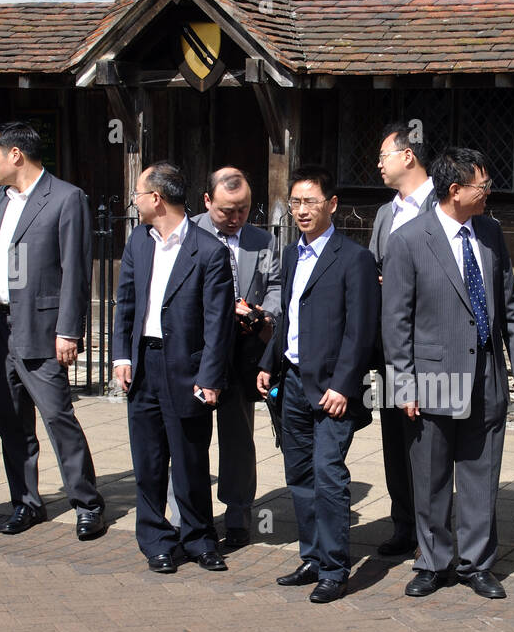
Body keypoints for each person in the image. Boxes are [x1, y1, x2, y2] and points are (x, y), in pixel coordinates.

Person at [382, 147, 514, 601]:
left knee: (480, 473)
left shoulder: (489, 231)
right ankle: (432, 561)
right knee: (429, 476)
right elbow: (396, 322)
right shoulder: (408, 240)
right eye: (482, 186)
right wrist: (402, 384)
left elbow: (508, 299)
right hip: (430, 376)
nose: (488, 194)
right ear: (455, 190)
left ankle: (477, 563)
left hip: (485, 371)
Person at [0, 121, 106, 541]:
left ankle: (87, 503)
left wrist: (69, 331)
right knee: (11, 422)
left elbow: (76, 271)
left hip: (41, 328)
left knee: (58, 417)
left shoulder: (65, 198)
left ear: (15, 155)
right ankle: (25, 502)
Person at [256, 167, 380, 604]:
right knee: (300, 475)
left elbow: (361, 331)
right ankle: (311, 557)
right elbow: (287, 319)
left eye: (310, 201)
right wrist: (269, 362)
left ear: (332, 204)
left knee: (329, 475)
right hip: (291, 382)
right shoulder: (291, 255)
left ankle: (334, 567)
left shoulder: (355, 258)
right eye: (295, 202)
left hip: (334, 390)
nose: (302, 210)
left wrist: (345, 386)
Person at [112, 162, 234, 574]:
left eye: (138, 193)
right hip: (144, 363)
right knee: (147, 461)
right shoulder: (138, 242)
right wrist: (121, 356)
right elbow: (125, 302)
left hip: (187, 368)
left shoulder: (209, 250)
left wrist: (210, 378)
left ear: (156, 199)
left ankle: (199, 538)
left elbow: (218, 322)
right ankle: (155, 540)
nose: (134, 199)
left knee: (190, 461)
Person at [193, 166, 279, 550]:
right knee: (190, 435)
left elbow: (277, 285)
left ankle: (238, 515)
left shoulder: (263, 240)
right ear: (208, 200)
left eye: (242, 209)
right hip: (198, 350)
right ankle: (190, 515)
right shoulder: (189, 233)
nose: (235, 217)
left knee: (238, 438)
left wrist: (263, 312)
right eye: (227, 210)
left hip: (243, 351)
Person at [369, 121, 437, 559]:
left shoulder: (442, 204)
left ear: (408, 155)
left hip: (433, 343)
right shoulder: (384, 214)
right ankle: (404, 523)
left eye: (383, 157)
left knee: (431, 442)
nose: (377, 165)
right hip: (392, 346)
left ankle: (435, 532)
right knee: (396, 439)